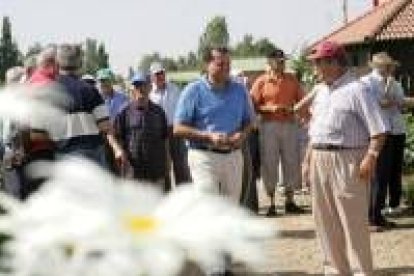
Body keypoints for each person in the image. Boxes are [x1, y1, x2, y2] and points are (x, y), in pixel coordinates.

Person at [304, 40, 387, 275]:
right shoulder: (321, 91)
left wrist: (370, 157)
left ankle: (362, 272)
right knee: (325, 222)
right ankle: (335, 271)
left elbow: (379, 130)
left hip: (348, 160)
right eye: (315, 63)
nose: (315, 68)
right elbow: (315, 130)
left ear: (335, 63)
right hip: (320, 157)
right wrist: (307, 161)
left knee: (353, 224)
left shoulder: (358, 90)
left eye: (319, 63)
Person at [174, 46, 253, 275]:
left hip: (233, 157)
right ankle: (213, 267)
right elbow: (178, 128)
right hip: (203, 156)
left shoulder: (239, 91)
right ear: (207, 65)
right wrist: (207, 135)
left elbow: (249, 122)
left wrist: (242, 134)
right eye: (221, 64)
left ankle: (224, 263)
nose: (226, 68)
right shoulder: (193, 91)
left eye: (228, 64)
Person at [250, 48, 306, 216]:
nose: (282, 63)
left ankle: (290, 201)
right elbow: (252, 105)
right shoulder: (261, 81)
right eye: (279, 61)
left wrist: (294, 110)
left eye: (283, 61)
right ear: (270, 62)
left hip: (289, 125)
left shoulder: (292, 80)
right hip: (268, 126)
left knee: (291, 161)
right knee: (269, 163)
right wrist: (270, 108)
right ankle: (271, 203)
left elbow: (302, 100)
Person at [55, 44, 127, 169]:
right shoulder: (90, 90)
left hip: (62, 157)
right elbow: (105, 126)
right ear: (79, 63)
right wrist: (117, 148)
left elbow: (38, 135)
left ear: (57, 63)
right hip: (91, 156)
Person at [361, 52, 406, 229]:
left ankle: (379, 213)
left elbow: (400, 103)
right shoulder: (367, 82)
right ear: (377, 66)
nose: (390, 69)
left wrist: (394, 98)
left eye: (391, 66)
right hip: (379, 133)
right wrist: (390, 96)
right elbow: (378, 104)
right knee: (379, 175)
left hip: (396, 130)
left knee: (390, 173)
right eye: (387, 66)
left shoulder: (394, 82)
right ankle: (373, 215)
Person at [114, 72, 168, 189]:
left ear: (149, 87)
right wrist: (118, 150)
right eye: (137, 86)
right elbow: (116, 136)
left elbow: (165, 140)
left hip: (156, 171)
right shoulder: (123, 112)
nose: (140, 89)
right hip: (133, 172)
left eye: (143, 85)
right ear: (132, 89)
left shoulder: (159, 112)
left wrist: (167, 165)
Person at [149, 62, 191, 188]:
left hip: (175, 130)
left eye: (161, 73)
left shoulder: (175, 89)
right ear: (151, 77)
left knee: (181, 165)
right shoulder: (149, 93)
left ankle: (184, 195)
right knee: (163, 166)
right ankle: (167, 196)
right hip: (158, 133)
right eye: (157, 74)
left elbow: (182, 109)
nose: (160, 76)